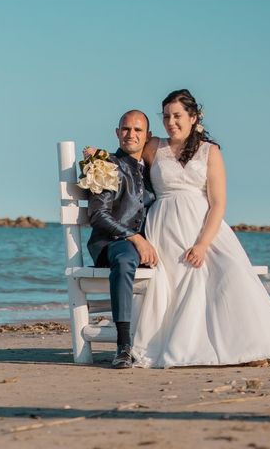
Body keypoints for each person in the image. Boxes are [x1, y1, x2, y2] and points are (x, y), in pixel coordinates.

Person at [86, 89, 270, 368]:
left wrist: (203, 243)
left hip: (202, 226)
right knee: (179, 284)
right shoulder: (154, 146)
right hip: (164, 227)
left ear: (193, 118)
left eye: (178, 116)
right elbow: (126, 151)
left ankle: (246, 344)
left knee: (229, 274)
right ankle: (184, 345)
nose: (171, 122)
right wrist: (97, 155)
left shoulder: (210, 152)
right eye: (167, 116)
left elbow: (218, 203)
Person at [85, 110, 157, 368]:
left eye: (138, 130)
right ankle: (124, 345)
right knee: (126, 259)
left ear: (147, 136)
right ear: (117, 132)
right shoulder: (105, 165)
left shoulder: (152, 171)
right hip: (110, 244)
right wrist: (134, 237)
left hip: (144, 245)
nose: (131, 135)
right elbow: (97, 215)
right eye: (126, 129)